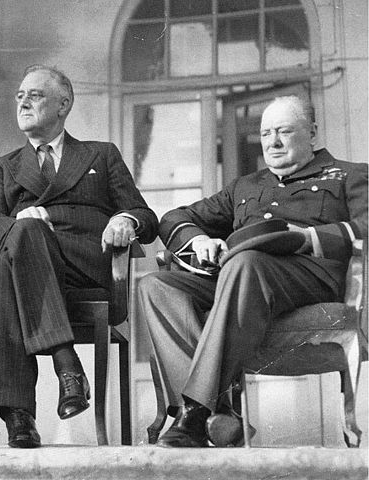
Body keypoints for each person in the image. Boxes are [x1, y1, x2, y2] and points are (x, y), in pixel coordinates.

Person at [138, 95, 368, 448]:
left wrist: (306, 238)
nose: (273, 142)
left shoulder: (349, 175)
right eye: (265, 134)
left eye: (285, 132)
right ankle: (221, 413)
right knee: (157, 285)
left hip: (311, 277)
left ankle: (196, 412)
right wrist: (199, 239)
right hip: (241, 280)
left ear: (312, 133)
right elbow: (173, 218)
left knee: (245, 262)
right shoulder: (245, 186)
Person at [0, 64, 158, 448]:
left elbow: (146, 217)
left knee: (10, 267)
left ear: (63, 104)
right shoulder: (3, 165)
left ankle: (19, 416)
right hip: (22, 253)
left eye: (35, 95)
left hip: (81, 267)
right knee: (21, 238)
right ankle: (66, 363)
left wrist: (124, 220)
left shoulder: (100, 155)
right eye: (19, 95)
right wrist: (21, 224)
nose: (23, 102)